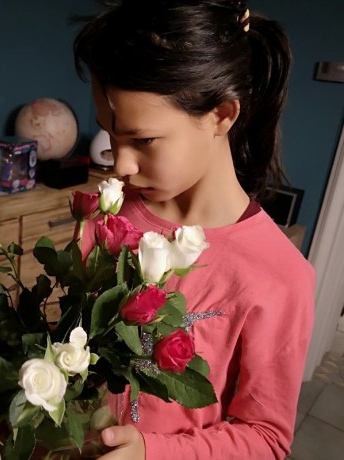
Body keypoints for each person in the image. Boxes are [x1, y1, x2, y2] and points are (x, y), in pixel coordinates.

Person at [73, 1, 315, 459]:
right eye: (110, 134)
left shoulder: (281, 277)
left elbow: (266, 438)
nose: (120, 165)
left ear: (221, 115)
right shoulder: (106, 218)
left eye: (142, 139)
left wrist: (149, 452)